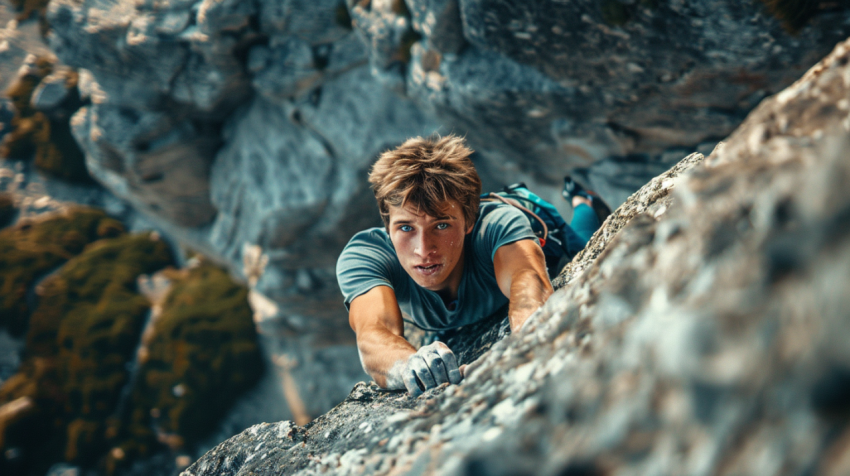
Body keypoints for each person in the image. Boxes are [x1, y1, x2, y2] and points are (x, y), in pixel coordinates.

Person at [336, 135, 603, 396]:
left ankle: (582, 199)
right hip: (453, 320)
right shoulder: (366, 256)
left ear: (469, 221)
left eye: (441, 225)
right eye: (406, 227)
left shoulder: (498, 225)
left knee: (583, 242)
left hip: (542, 233)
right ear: (387, 227)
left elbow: (528, 282)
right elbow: (373, 334)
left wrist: (521, 346)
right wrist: (411, 364)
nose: (423, 249)